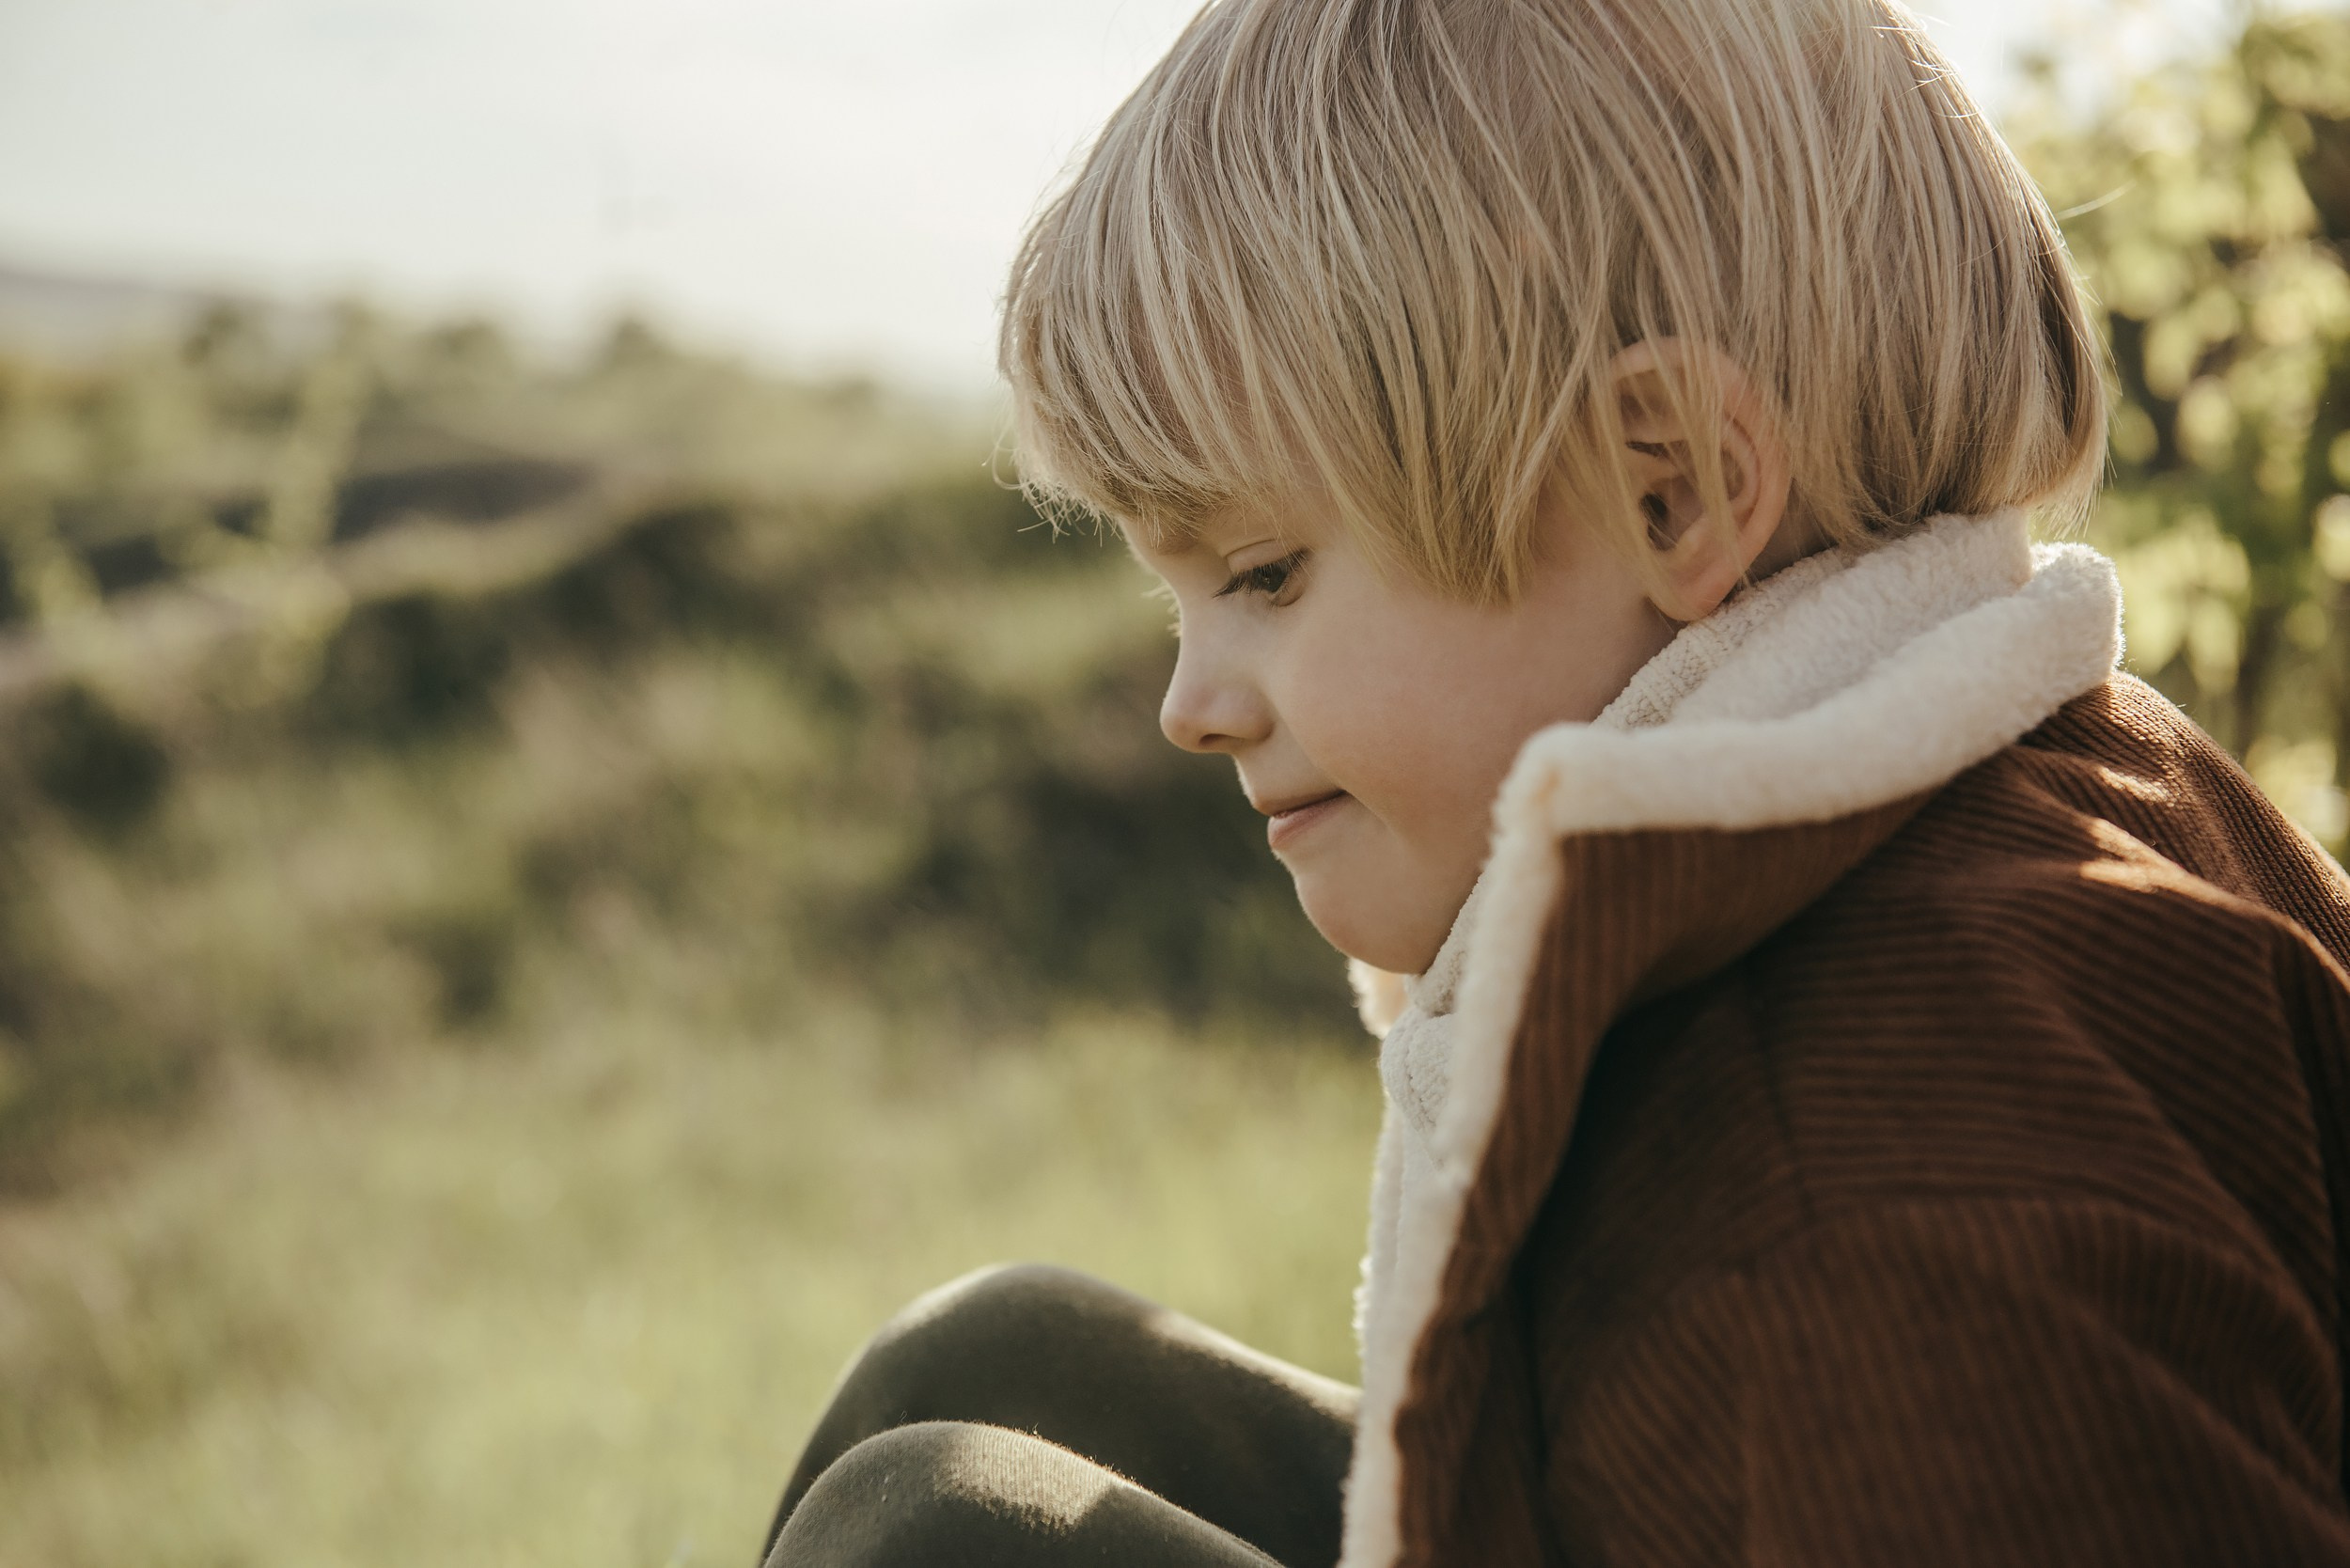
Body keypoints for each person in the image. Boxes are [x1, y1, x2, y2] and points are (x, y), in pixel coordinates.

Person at [760, 0, 2350, 1561]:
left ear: (1672, 487)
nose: (1189, 705)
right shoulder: (2046, 773)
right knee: (1004, 1370)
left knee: (940, 1539)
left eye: (1262, 571)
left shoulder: (1868, 1205)